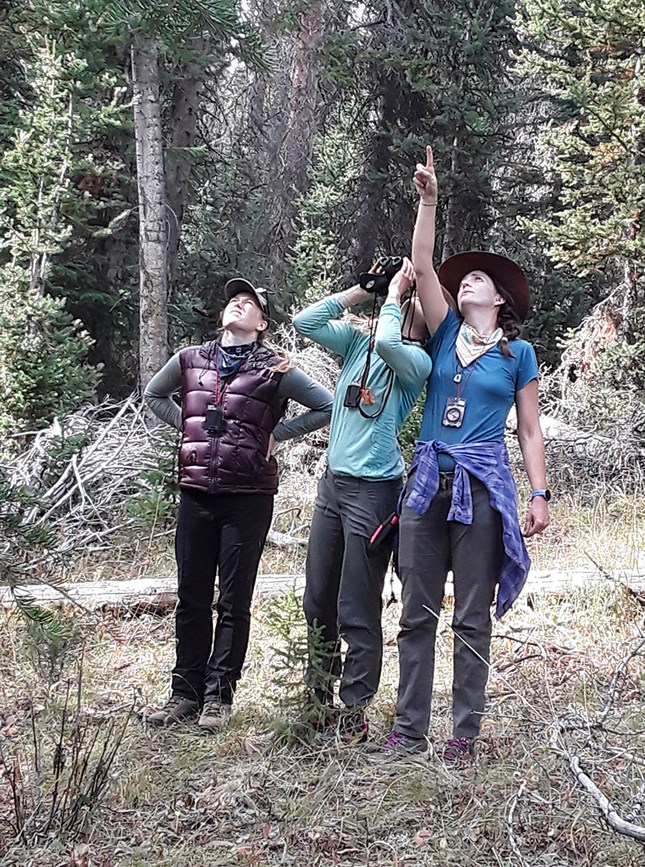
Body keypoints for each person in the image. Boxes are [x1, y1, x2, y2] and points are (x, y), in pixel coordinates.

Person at [378, 148, 550, 763]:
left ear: (500, 299)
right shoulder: (446, 330)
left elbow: (529, 431)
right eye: (464, 280)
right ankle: (408, 731)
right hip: (428, 483)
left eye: (478, 279)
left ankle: (462, 737)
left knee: (472, 618)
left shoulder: (517, 356)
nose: (466, 281)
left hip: (481, 488)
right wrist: (428, 200)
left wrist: (538, 493)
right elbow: (423, 264)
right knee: (416, 610)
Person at [144, 278, 333, 733]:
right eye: (233, 299)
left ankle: (218, 699)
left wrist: (276, 436)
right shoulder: (189, 360)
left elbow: (328, 406)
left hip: (248, 495)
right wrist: (187, 429)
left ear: (262, 323)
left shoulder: (276, 367)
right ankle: (183, 694)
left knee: (233, 600)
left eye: (249, 303)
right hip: (196, 492)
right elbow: (154, 395)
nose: (238, 303)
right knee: (191, 597)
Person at [293, 258, 432, 743]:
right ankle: (316, 703)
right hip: (332, 487)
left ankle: (354, 711)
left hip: (373, 493)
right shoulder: (357, 344)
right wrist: (360, 290)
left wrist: (395, 294)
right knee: (318, 599)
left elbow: (392, 340)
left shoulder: (417, 363)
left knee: (356, 604)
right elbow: (304, 322)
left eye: (406, 306)